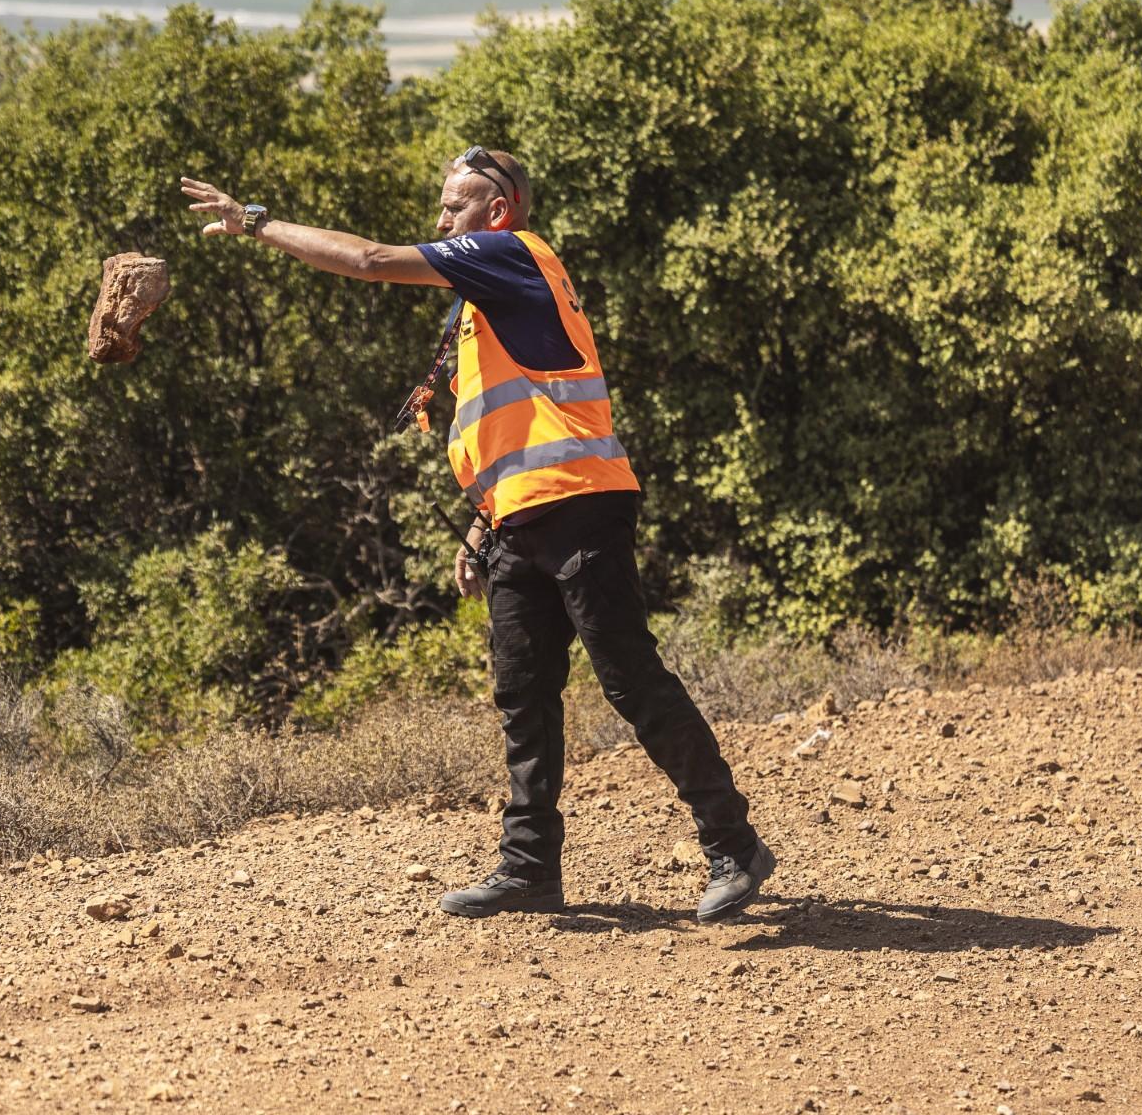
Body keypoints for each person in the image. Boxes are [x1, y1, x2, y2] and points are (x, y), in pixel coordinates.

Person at [180, 151, 775, 922]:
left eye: (453, 206)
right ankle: (529, 869)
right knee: (523, 697)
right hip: (519, 517)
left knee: (631, 680)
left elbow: (366, 260)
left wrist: (255, 222)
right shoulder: (483, 299)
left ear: (498, 210)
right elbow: (516, 420)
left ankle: (734, 843)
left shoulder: (511, 254)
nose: (440, 221)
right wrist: (480, 525)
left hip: (583, 505)